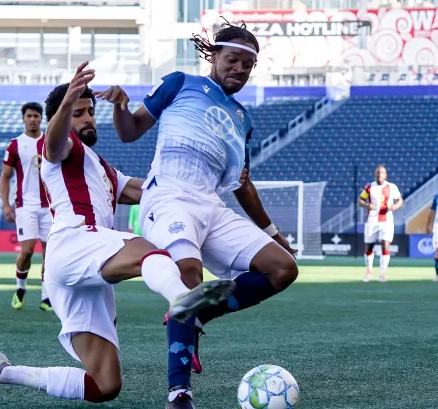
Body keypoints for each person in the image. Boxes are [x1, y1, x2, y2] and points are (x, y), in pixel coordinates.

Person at [0, 63, 235, 404]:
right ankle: (182, 301)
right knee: (151, 253)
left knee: (104, 385)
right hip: (74, 241)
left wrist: (204, 187)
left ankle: (2, 371)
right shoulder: (62, 146)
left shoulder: (102, 168)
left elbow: (149, 190)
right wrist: (67, 102)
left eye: (90, 112)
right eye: (78, 113)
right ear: (63, 116)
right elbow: (52, 145)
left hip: (83, 270)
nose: (87, 118)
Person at [96, 21, 299, 409]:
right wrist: (121, 106)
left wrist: (273, 233)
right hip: (169, 196)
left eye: (247, 65)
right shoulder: (179, 83)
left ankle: (198, 312)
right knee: (189, 273)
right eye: (233, 59)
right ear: (214, 55)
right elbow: (130, 132)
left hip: (212, 206)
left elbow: (242, 185)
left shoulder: (243, 119)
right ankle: (179, 394)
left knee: (283, 268)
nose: (239, 69)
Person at [0, 102, 53, 311]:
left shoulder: (50, 141)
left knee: (50, 253)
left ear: (41, 119)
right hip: (25, 205)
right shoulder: (15, 144)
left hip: (49, 206)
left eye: (36, 116)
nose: (32, 119)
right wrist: (6, 205)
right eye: (29, 116)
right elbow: (5, 176)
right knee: (28, 251)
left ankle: (46, 296)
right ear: (23, 119)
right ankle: (20, 288)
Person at [358, 165, 403, 283]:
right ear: (375, 175)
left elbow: (400, 200)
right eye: (378, 173)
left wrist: (394, 206)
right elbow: (360, 200)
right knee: (369, 247)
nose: (379, 175)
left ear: (385, 175)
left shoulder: (391, 187)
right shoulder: (370, 187)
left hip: (386, 221)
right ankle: (369, 271)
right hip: (372, 220)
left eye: (382, 173)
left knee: (385, 245)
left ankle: (382, 274)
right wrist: (367, 205)